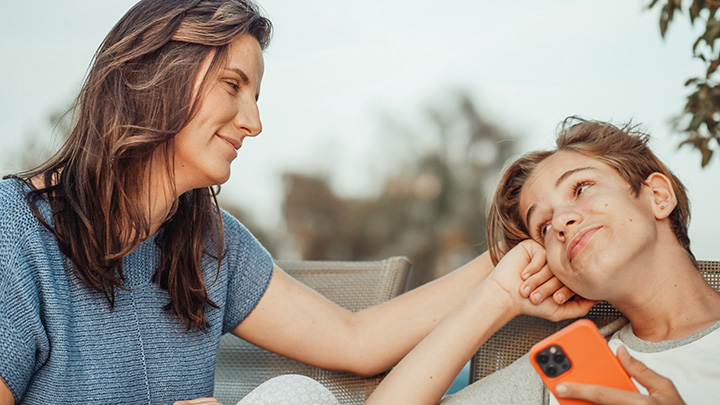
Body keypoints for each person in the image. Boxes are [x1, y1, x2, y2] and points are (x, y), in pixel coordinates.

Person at [0, 1, 572, 404]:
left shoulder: (208, 244)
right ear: (157, 73)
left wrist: (505, 262)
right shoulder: (16, 232)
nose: (253, 122)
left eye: (256, 95)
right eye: (233, 85)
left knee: (295, 396)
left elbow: (357, 341)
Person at [367, 117, 720, 404]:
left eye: (581, 188)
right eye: (544, 226)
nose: (563, 221)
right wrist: (496, 297)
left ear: (657, 196)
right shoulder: (565, 372)